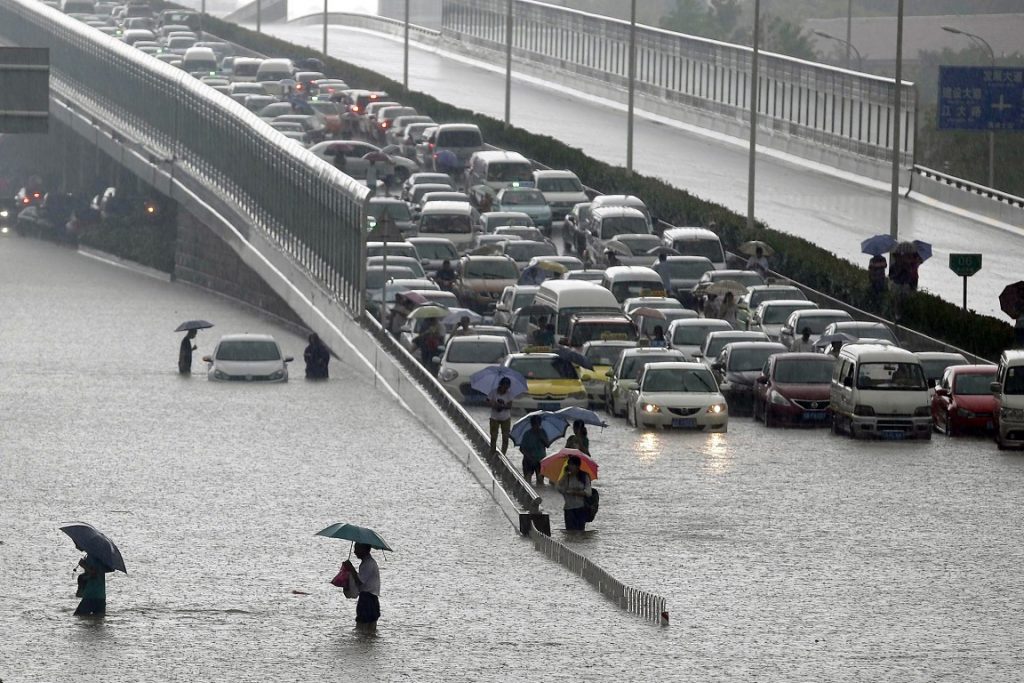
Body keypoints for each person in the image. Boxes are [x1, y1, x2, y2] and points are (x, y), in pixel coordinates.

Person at [341, 542, 380, 632]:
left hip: (367, 599)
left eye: (357, 549)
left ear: (365, 550)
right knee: (369, 632)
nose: (354, 552)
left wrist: (351, 568)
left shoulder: (368, 564)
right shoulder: (367, 563)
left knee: (361, 629)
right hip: (371, 599)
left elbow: (360, 582)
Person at [556, 455, 592, 532]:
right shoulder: (566, 477)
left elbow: (588, 492)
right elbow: (558, 487)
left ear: (578, 466)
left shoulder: (584, 476)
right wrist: (565, 475)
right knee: (570, 532)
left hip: (581, 508)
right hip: (569, 509)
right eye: (569, 464)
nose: (570, 466)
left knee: (580, 532)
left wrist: (575, 492)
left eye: (573, 465)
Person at [518, 414, 547, 486]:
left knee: (540, 482)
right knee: (527, 482)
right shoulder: (527, 434)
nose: (537, 426)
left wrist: (541, 438)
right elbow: (522, 448)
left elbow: (547, 444)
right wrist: (529, 457)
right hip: (528, 461)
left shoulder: (543, 432)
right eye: (535, 424)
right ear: (532, 424)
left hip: (540, 460)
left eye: (538, 424)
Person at [487, 377, 513, 455]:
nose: (505, 389)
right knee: (494, 436)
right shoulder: (493, 392)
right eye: (504, 386)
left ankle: (503, 453)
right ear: (501, 385)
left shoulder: (509, 394)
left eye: (507, 387)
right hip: (494, 418)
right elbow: (488, 401)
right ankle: (492, 451)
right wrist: (493, 404)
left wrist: (502, 406)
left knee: (505, 438)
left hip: (506, 418)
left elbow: (510, 405)